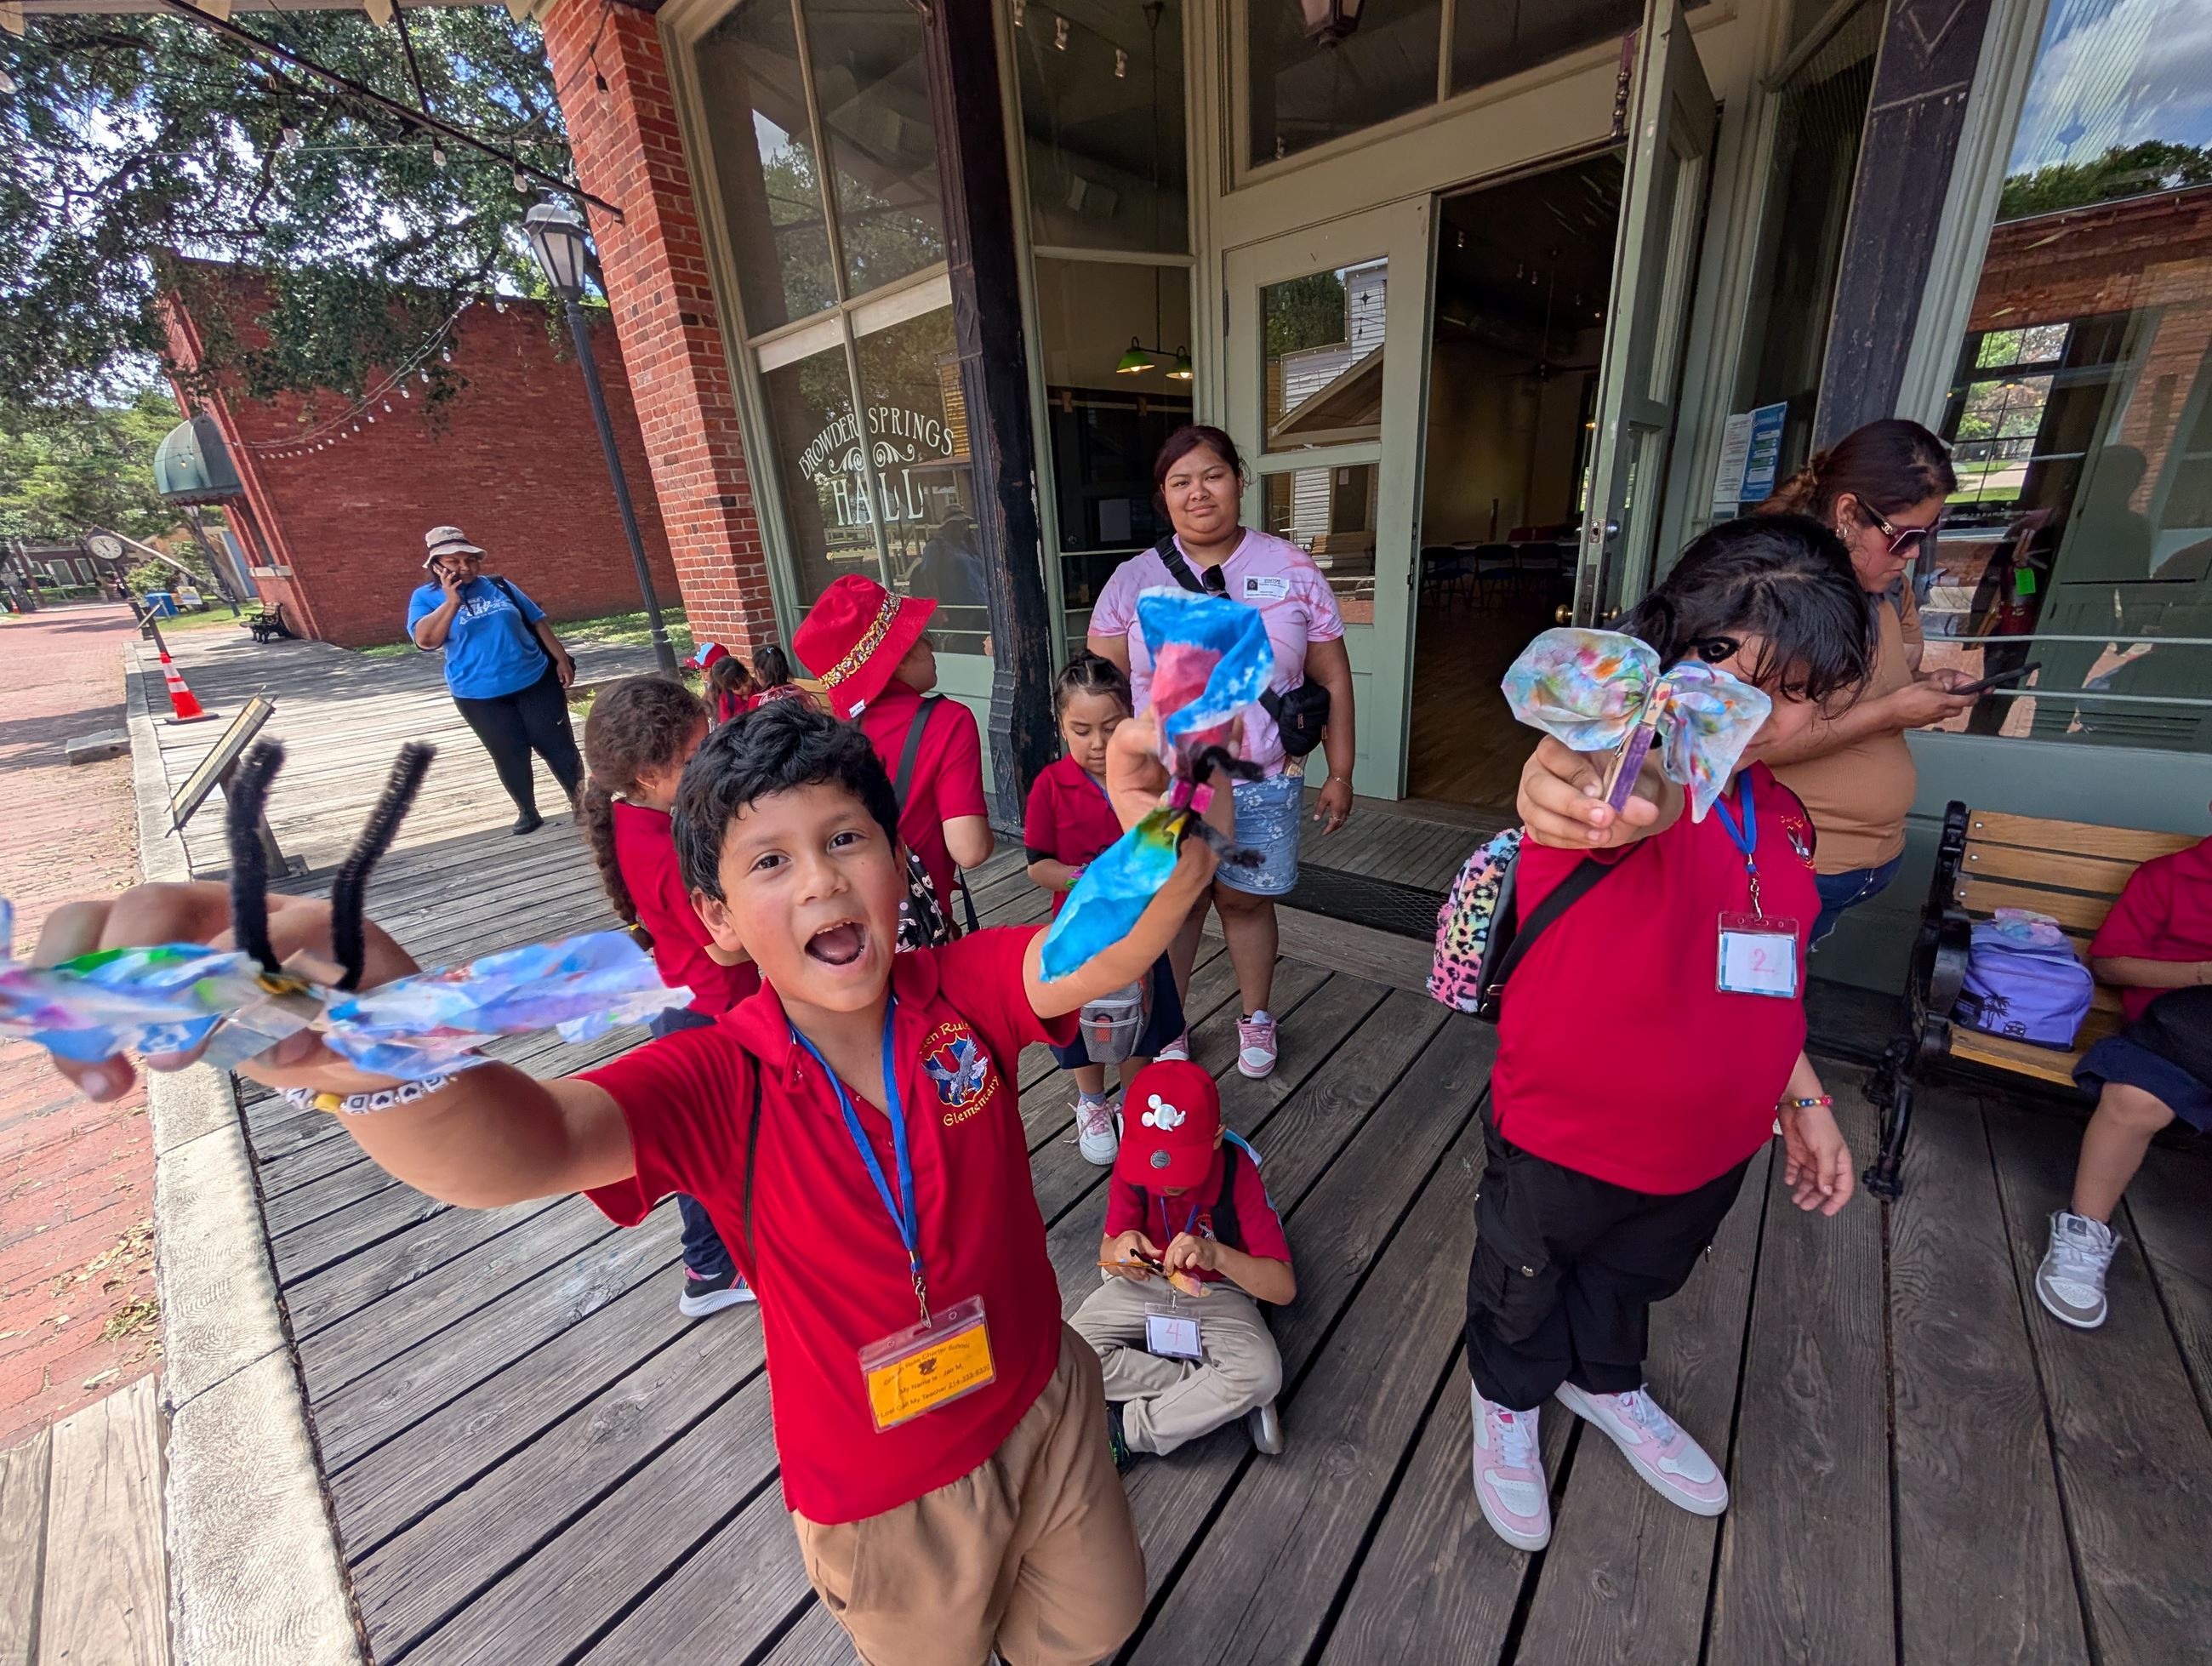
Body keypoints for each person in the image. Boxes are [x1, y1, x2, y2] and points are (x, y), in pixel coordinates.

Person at [36, 699, 1230, 1666]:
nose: (819, 882)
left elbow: (1097, 945)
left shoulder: (961, 989)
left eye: (846, 838)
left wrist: (1166, 820)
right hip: (883, 1487)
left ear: (897, 858)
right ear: (713, 916)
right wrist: (381, 1044)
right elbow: (527, 1143)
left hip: (1044, 1396)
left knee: (1097, 1628)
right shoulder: (719, 1075)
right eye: (770, 860)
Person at [1477, 515, 1872, 1554]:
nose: (1756, 709)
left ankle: (1602, 1378)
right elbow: (1589, 792)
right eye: (1720, 660)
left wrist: (1803, 1097)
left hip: (1712, 1145)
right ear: (1665, 647)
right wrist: (1571, 778)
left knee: (1634, 1278)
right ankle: (1506, 1400)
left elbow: (1771, 976)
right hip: (1565, 1131)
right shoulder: (1626, 774)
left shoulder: (1784, 817)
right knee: (1522, 1279)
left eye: (1795, 687)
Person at [1088, 425, 1358, 1079]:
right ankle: (1171, 1024)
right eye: (1179, 481)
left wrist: (1341, 769)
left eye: (1211, 474)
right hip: (1169, 785)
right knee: (1176, 906)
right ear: (1163, 496)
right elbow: (1099, 687)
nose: (1197, 491)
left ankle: (1256, 1017)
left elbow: (1333, 676)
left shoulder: (1290, 567)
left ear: (1238, 480)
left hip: (1263, 779)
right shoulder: (1135, 579)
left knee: (1245, 902)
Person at [1754, 421, 1981, 941]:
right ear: (1848, 515)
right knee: (1748, 1003)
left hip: (1865, 861)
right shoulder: (1783, 601)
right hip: (1797, 857)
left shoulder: (1887, 589)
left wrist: (1930, 687)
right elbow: (1746, 743)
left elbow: (1892, 675)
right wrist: (1893, 712)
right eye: (1904, 536)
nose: (1914, 554)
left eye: (1927, 535)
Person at [579, 675, 757, 1317]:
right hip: (707, 1009)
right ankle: (709, 1268)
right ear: (652, 774)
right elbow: (725, 949)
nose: (707, 762)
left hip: (691, 999)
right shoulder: (663, 851)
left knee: (709, 1139)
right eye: (694, 758)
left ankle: (718, 1258)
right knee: (708, 1145)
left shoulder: (644, 817)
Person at [2035, 814, 2212, 1330]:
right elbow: (2109, 963)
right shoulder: (2171, 877)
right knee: (2135, 1097)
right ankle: (2084, 1232)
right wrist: (2203, 972)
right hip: (2176, 1029)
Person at [1077, 1059, 1294, 1464]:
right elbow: (1108, 1251)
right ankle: (1213, 1395)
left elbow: (1282, 1288)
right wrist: (1121, 1251)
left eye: (1180, 1164)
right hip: (1147, 1282)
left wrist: (1216, 1254)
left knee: (1263, 1372)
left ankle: (1130, 1430)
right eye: (1155, 1163)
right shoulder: (1133, 1164)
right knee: (1068, 1352)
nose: (1166, 1181)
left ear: (1216, 1138)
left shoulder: (1238, 1173)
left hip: (1218, 1291)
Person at [1023, 653, 1186, 1163]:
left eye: (1111, 728)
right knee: (1082, 1022)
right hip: (1079, 931)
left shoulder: (1150, 776)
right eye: (1081, 729)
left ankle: (1137, 1104)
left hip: (1140, 931)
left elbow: (1168, 847)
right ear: (1062, 726)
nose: (1097, 744)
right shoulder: (1049, 786)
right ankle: (1092, 1102)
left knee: (1142, 1021)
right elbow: (1037, 865)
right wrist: (1082, 878)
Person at [796, 573, 992, 919]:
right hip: (918, 927)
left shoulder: (831, 734)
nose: (932, 647)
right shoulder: (948, 721)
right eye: (922, 637)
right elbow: (970, 850)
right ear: (898, 655)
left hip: (848, 921)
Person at [406, 525, 582, 836]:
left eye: (471, 560)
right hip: (478, 694)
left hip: (535, 680)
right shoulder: (425, 598)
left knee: (558, 745)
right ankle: (527, 809)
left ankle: (582, 804)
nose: (465, 567)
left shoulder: (499, 586)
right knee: (508, 751)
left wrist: (561, 659)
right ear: (437, 566)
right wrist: (451, 602)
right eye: (455, 561)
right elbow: (426, 640)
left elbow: (538, 622)